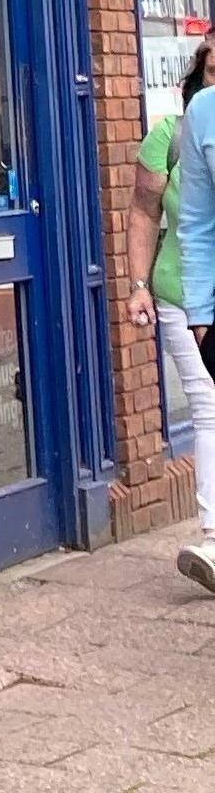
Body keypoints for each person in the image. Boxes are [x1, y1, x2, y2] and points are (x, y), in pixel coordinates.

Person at [142, 34, 215, 595]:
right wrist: (136, 286)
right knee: (208, 403)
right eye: (211, 67)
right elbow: (149, 214)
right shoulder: (175, 133)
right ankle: (213, 533)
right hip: (185, 291)